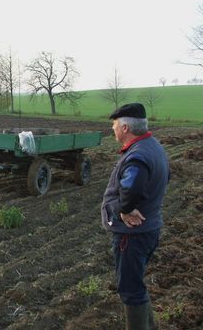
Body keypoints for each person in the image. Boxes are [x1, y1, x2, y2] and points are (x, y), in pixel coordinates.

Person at [101, 103, 170, 330]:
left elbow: (131, 188)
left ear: (125, 128)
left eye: (114, 125)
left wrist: (124, 208)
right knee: (136, 284)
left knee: (130, 289)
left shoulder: (137, 156)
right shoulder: (153, 146)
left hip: (132, 235)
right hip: (147, 228)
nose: (113, 130)